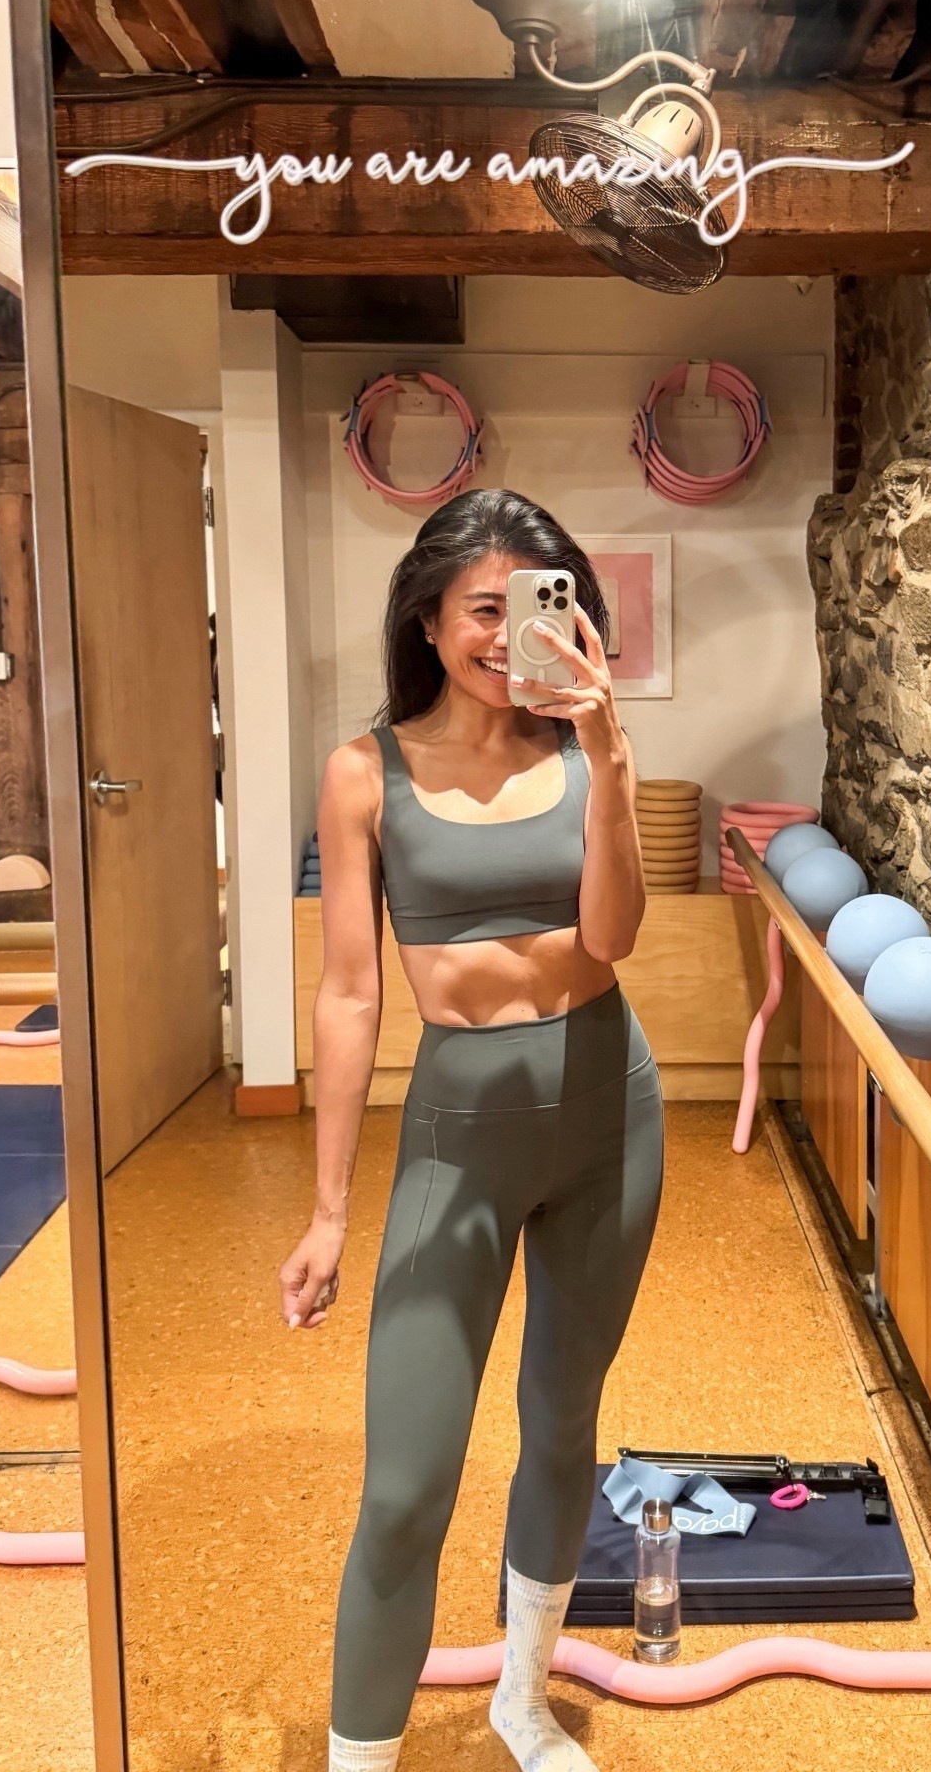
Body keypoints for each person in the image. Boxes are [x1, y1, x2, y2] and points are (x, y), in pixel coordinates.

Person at [279, 489, 661, 1772]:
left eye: (537, 605)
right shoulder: (365, 770)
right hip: (460, 1134)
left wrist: (610, 758)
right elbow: (349, 993)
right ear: (431, 621)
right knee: (405, 1484)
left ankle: (522, 1697)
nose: (509, 635)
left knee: (561, 1421)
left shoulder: (587, 749)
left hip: (608, 1112)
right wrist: (329, 1209)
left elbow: (612, 935)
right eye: (483, 609)